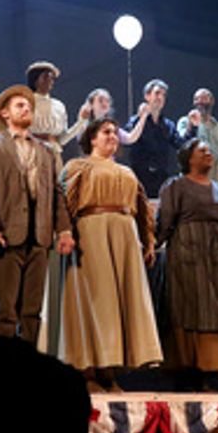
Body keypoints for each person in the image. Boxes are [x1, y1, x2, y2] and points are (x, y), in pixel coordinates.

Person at [59, 117, 162, 384]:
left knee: (121, 302)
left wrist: (148, 241)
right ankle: (90, 369)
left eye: (115, 133)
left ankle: (111, 370)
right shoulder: (77, 166)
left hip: (124, 238)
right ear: (92, 138)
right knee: (97, 300)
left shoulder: (127, 172)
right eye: (106, 132)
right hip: (92, 233)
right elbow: (64, 204)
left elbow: (143, 211)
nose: (113, 137)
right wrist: (64, 233)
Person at [0, 85, 75, 343]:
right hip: (8, 235)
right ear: (5, 113)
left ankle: (28, 370)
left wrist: (63, 230)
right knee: (6, 310)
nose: (26, 109)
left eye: (29, 106)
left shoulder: (45, 151)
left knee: (32, 311)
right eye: (20, 105)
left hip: (39, 236)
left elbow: (56, 194)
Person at [157, 139, 218, 375]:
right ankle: (188, 367)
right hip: (188, 252)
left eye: (209, 151)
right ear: (189, 158)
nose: (209, 154)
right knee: (189, 305)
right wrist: (152, 245)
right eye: (202, 151)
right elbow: (165, 221)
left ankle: (214, 366)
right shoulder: (176, 185)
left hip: (217, 256)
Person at [122, 78, 190, 198]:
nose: (160, 97)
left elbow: (181, 145)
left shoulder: (168, 125)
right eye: (157, 93)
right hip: (140, 178)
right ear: (147, 96)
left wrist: (192, 128)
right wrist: (141, 117)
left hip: (161, 179)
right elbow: (127, 140)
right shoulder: (135, 120)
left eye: (163, 95)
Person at [176, 87, 218, 193]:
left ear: (212, 101)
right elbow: (182, 144)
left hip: (217, 178)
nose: (200, 102)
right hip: (195, 177)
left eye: (204, 98)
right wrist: (191, 126)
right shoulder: (185, 121)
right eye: (197, 99)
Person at [26, 62, 83, 152]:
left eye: (52, 78)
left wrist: (81, 122)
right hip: (31, 154)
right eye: (45, 77)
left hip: (54, 156)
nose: (50, 80)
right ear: (35, 80)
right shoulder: (25, 104)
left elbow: (62, 139)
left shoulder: (59, 106)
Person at [82, 87, 150, 146]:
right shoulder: (85, 125)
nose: (104, 103)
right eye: (100, 100)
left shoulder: (112, 127)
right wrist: (82, 118)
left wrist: (143, 116)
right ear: (91, 104)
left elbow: (130, 138)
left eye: (107, 101)